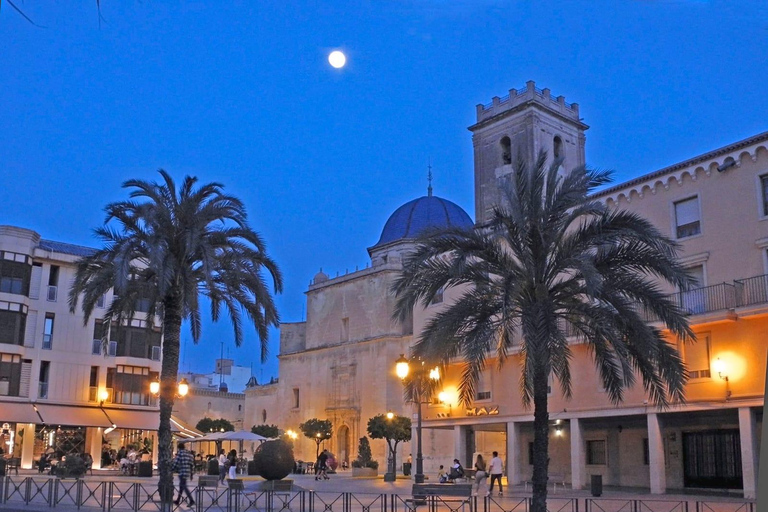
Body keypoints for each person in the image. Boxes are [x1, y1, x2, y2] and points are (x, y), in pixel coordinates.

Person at [171, 442, 195, 507]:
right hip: (187, 472)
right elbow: (192, 464)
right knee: (181, 486)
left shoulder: (180, 453)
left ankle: (191, 500)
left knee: (183, 486)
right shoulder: (188, 453)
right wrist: (191, 474)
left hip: (182, 472)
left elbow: (176, 463)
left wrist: (172, 469)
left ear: (179, 448)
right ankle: (178, 500)